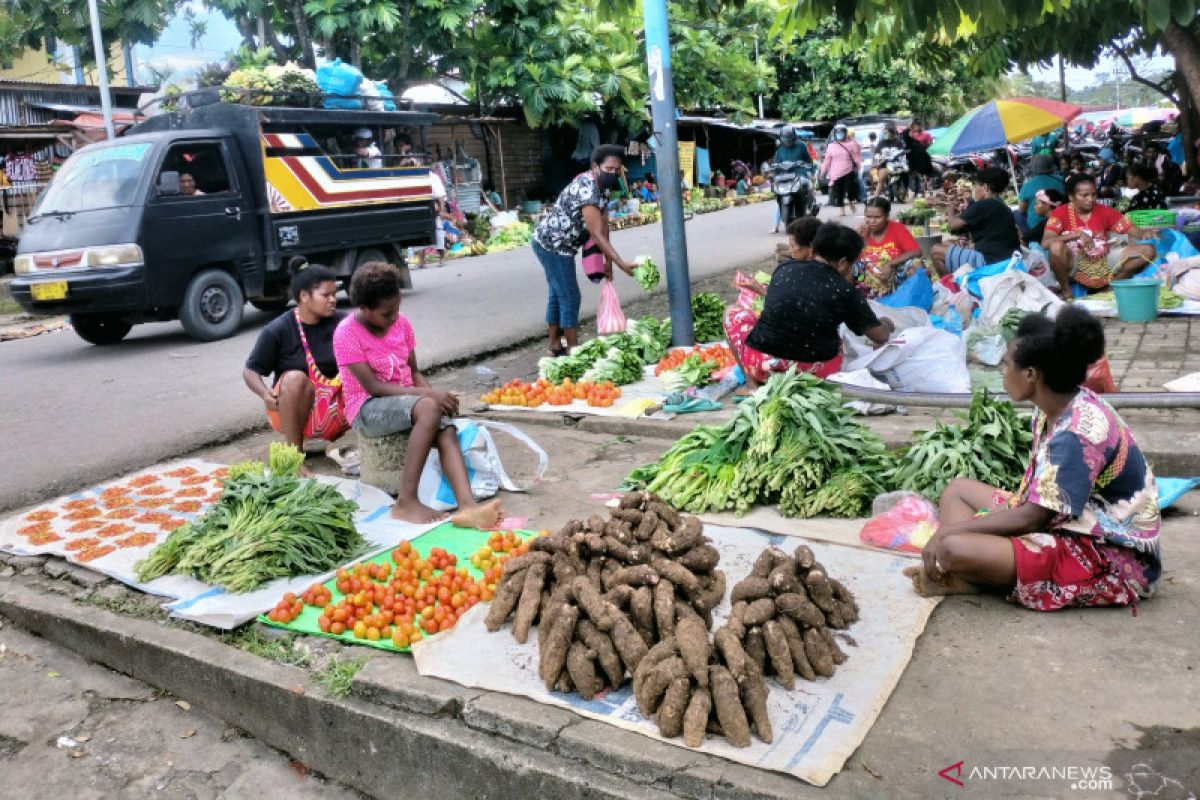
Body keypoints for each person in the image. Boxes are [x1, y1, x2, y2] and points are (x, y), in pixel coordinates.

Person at [903, 306, 1160, 610]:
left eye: (1006, 364)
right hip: (1065, 519)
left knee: (950, 546)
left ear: (1031, 374)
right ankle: (978, 568)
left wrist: (949, 531)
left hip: (1104, 552)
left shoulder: (1078, 433)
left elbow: (1033, 517)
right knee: (958, 490)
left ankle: (975, 569)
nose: (1002, 372)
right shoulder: (1056, 406)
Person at [333, 261, 504, 527]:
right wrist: (430, 397)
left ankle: (468, 507)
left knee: (445, 428)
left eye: (397, 309)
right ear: (363, 308)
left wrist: (435, 400)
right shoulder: (346, 334)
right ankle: (406, 501)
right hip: (367, 408)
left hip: (408, 402)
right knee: (429, 409)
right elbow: (374, 388)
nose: (393, 318)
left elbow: (412, 371)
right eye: (386, 313)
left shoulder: (401, 324)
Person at [722, 220, 894, 392]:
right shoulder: (845, 291)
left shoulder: (784, 269)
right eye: (852, 264)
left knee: (730, 312)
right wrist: (887, 323)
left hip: (763, 365)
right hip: (813, 374)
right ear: (842, 263)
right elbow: (879, 336)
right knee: (838, 338)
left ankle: (751, 384)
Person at [243, 258, 348, 475]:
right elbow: (250, 370)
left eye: (334, 294)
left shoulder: (343, 323)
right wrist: (265, 394)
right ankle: (294, 456)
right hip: (296, 412)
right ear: (304, 297)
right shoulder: (279, 329)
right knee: (294, 378)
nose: (333, 300)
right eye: (325, 295)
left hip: (336, 412)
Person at [532, 144, 636, 356]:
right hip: (551, 245)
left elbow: (604, 223)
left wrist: (608, 262)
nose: (614, 173)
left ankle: (554, 344)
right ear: (595, 167)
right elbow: (596, 233)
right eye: (609, 169)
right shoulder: (587, 188)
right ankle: (573, 349)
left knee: (557, 293)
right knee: (570, 296)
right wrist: (621, 263)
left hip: (565, 246)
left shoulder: (605, 186)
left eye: (618, 170)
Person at [1042, 173, 1157, 298]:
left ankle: (1111, 287)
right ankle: (1066, 290)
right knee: (1056, 247)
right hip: (1073, 262)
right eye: (1084, 195)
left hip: (1103, 259)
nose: (1090, 199)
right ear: (1071, 196)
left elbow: (1130, 228)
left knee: (1148, 250)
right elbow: (1046, 242)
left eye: (1093, 194)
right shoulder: (1060, 213)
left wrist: (1145, 233)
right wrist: (1077, 235)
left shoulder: (1105, 211)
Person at [930, 167, 1022, 274]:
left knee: (936, 251)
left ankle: (951, 287)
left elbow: (953, 226)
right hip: (1007, 257)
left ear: (986, 187)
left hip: (991, 261)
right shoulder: (1001, 205)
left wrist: (950, 210)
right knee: (949, 243)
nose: (974, 189)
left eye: (977, 185)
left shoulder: (984, 204)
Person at [855, 196, 923, 299]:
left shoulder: (896, 228)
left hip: (895, 279)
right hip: (868, 281)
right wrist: (856, 238)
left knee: (917, 265)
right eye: (868, 217)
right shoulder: (862, 232)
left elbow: (916, 251)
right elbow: (853, 262)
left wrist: (891, 264)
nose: (871, 221)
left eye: (877, 217)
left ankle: (912, 301)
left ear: (887, 216)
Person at [819, 124, 862, 217]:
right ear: (834, 134)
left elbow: (856, 156)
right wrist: (822, 173)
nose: (839, 134)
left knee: (851, 189)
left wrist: (858, 166)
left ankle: (851, 202)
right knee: (839, 192)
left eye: (841, 132)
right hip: (836, 173)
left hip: (849, 170)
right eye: (838, 133)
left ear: (845, 133)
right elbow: (827, 161)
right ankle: (841, 209)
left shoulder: (851, 144)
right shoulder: (831, 146)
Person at [1017, 154, 1066, 235]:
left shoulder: (1028, 185)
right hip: (1059, 222)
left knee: (1017, 214)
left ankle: (1025, 238)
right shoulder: (1061, 181)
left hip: (1035, 225)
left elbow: (1022, 210)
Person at [872, 124, 905, 197]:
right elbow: (877, 153)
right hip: (884, 164)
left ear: (892, 133)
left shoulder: (898, 142)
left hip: (897, 164)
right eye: (884, 133)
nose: (885, 134)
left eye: (886, 133)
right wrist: (879, 158)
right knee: (881, 179)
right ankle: (875, 197)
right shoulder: (881, 143)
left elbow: (902, 151)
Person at [902, 120, 934, 195]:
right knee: (916, 176)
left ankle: (927, 191)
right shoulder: (912, 136)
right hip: (914, 158)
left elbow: (929, 145)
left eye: (918, 125)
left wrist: (925, 149)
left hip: (923, 157)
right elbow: (905, 136)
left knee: (925, 175)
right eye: (915, 126)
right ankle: (918, 192)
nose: (917, 127)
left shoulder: (926, 135)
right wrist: (910, 128)